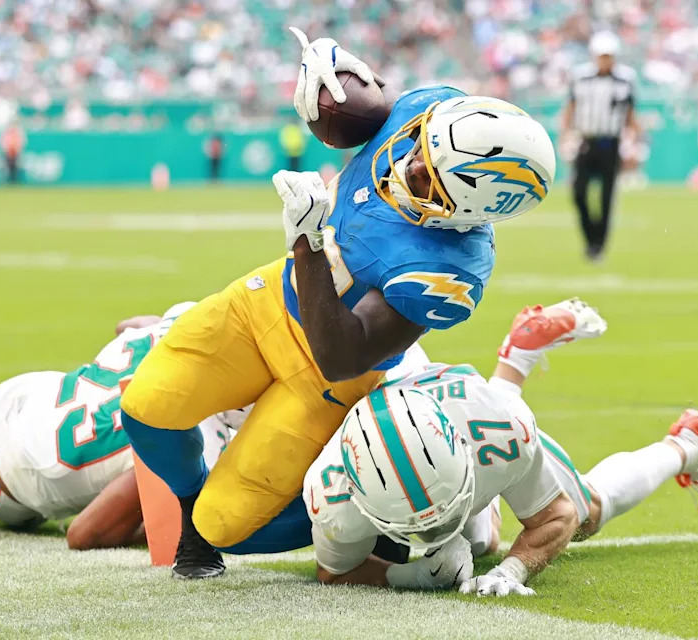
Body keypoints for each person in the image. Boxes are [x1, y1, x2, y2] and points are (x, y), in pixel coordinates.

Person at [119, 30, 557, 579]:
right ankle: (186, 514)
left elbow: (341, 355)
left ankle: (371, 525)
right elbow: (368, 111)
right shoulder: (433, 116)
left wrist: (308, 242)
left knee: (227, 524)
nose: (412, 165)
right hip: (265, 306)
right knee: (146, 408)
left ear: (471, 210)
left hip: (325, 380)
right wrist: (335, 77)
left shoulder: (452, 269)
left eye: (431, 178)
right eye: (421, 146)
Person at [304, 299, 698, 593]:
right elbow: (333, 570)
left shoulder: (499, 428)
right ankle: (517, 358)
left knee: (586, 511)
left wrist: (513, 571)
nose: (438, 530)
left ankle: (688, 444)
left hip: (462, 405)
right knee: (482, 542)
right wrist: (412, 573)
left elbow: (558, 517)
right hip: (400, 397)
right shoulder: (332, 493)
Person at [0, 303, 235, 550]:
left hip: (32, 393)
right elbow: (83, 533)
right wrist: (152, 527)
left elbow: (127, 326)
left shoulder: (190, 324)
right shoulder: (192, 435)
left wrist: (161, 331)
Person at [562, 31, 639, 261]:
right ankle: (590, 237)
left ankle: (599, 245)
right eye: (602, 55)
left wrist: (634, 142)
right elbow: (570, 108)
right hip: (586, 140)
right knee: (579, 192)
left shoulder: (626, 79)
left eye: (609, 56)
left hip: (611, 143)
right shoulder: (580, 77)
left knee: (607, 197)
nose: (605, 60)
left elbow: (630, 114)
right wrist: (566, 137)